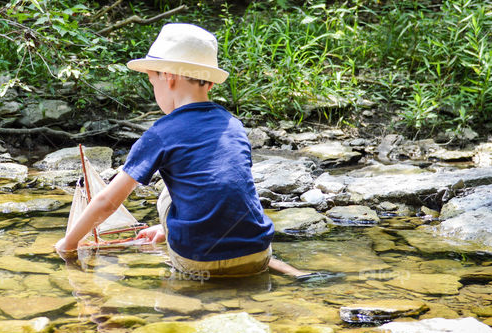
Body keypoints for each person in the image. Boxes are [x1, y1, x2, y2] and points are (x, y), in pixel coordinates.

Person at [54, 22, 313, 279]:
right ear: (209, 84)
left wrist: (68, 244)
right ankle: (287, 271)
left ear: (168, 77)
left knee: (167, 190)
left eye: (152, 82)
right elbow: (226, 193)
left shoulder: (161, 132)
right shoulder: (233, 125)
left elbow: (107, 201)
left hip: (198, 263)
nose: (155, 91)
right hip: (257, 253)